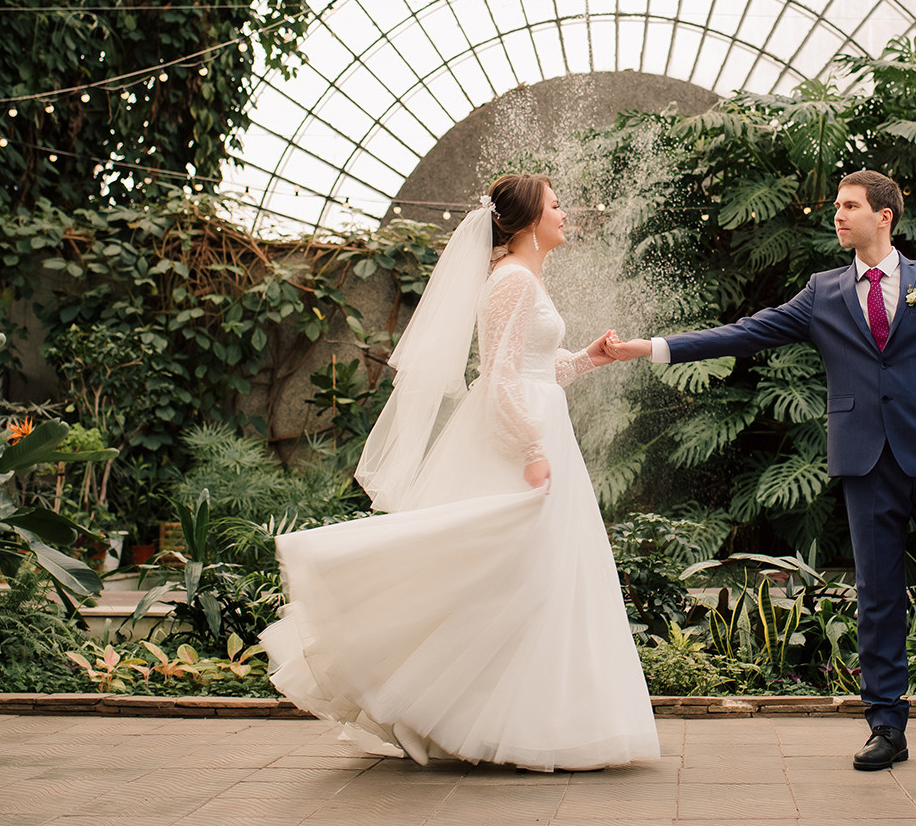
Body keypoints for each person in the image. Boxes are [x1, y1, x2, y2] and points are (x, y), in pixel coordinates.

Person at [608, 169, 916, 773]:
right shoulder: (823, 292)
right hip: (866, 465)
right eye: (837, 205)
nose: (837, 214)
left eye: (849, 206)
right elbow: (748, 332)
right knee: (878, 598)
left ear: (884, 216)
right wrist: (651, 347)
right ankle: (885, 726)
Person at [260, 174, 659, 772]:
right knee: (503, 570)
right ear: (527, 221)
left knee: (528, 576)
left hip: (536, 421)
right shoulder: (512, 280)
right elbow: (499, 378)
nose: (564, 214)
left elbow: (530, 369)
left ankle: (523, 718)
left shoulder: (524, 276)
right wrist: (530, 448)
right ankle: (476, 716)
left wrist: (586, 360)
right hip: (516, 435)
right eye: (555, 205)